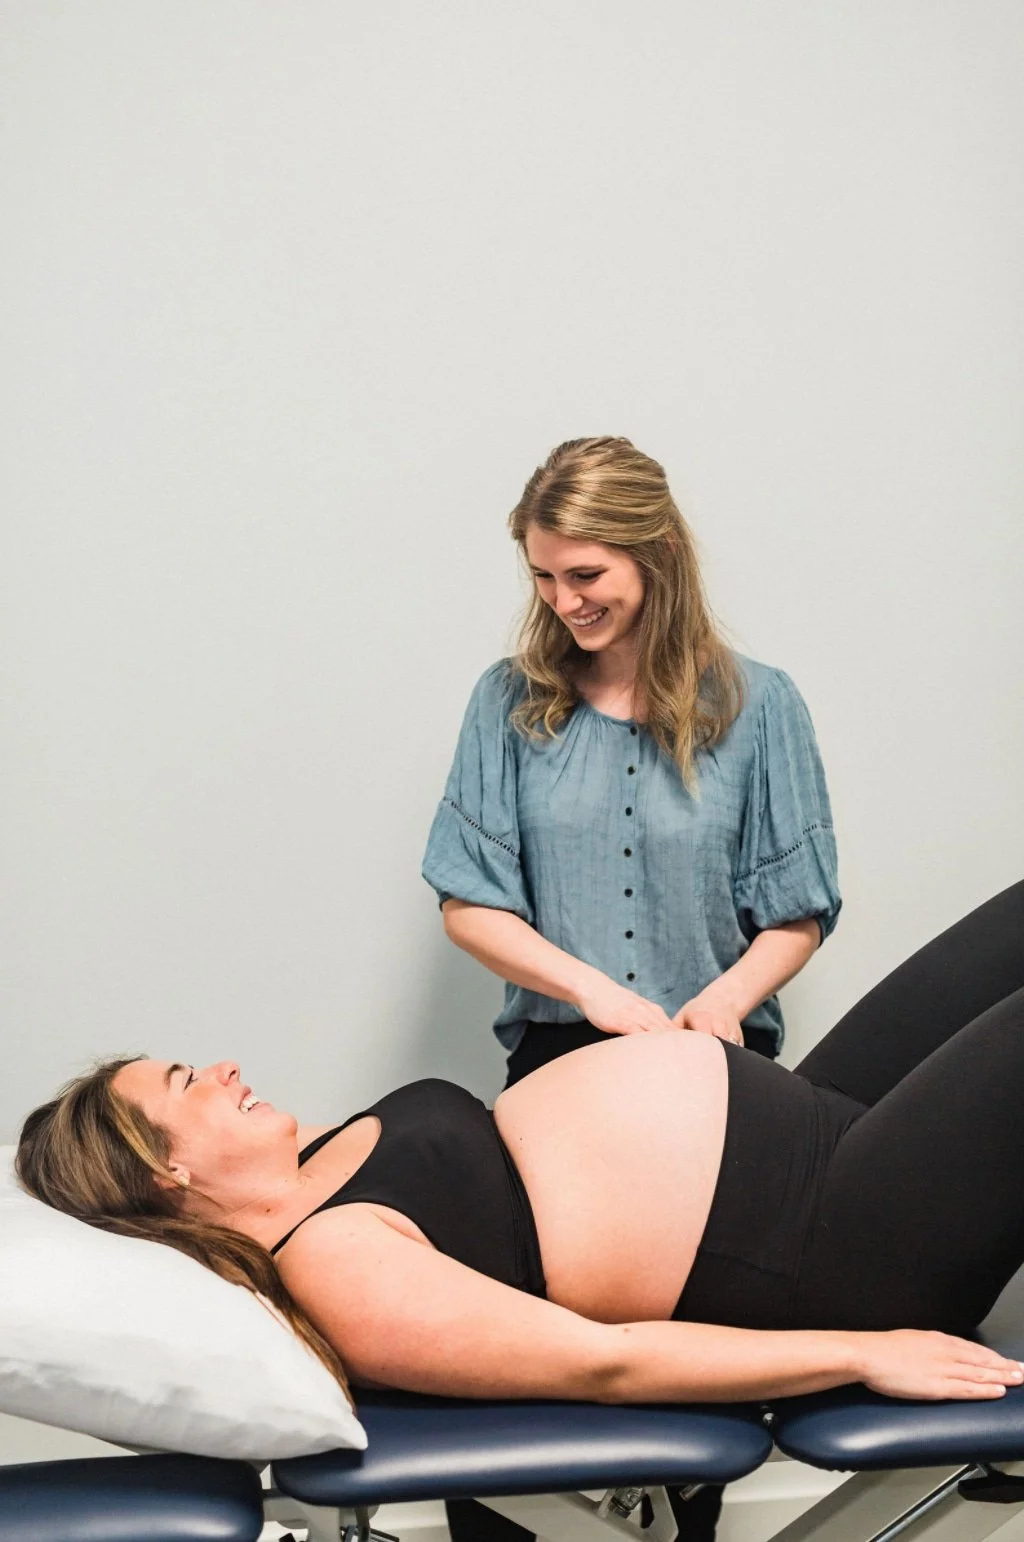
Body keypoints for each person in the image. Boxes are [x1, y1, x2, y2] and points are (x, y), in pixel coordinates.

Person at [17, 883, 1024, 1432]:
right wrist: (860, 1351)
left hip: (819, 1117)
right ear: (167, 1172)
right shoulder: (337, 1264)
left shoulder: (318, 1157)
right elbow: (603, 1362)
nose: (224, 1068)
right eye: (188, 1083)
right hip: (838, 1243)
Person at [422, 435, 840, 1535]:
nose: (563, 601)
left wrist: (717, 1006)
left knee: (679, 1394)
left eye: (586, 575)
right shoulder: (509, 704)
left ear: (654, 555)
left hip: (713, 1091)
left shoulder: (761, 706)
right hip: (560, 1074)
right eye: (543, 577)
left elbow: (796, 907)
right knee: (526, 1374)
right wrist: (595, 995)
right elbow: (469, 901)